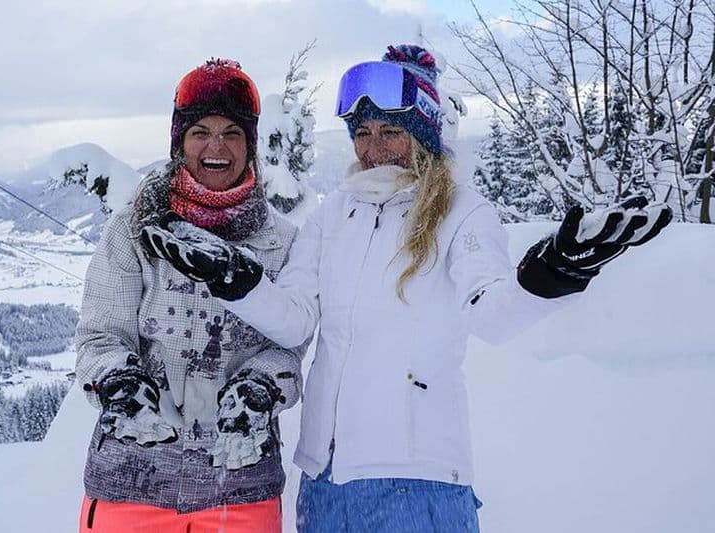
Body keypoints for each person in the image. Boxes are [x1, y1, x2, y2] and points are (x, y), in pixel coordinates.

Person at [141, 45, 673, 532]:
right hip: (325, 483)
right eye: (362, 132)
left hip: (418, 484)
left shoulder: (460, 214)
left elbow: (492, 315)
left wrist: (554, 273)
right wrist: (237, 281)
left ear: (423, 134)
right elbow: (297, 318)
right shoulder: (334, 217)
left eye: (390, 132)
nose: (373, 150)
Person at [75, 58, 305, 533]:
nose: (215, 147)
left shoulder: (282, 242)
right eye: (200, 131)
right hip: (131, 483)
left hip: (239, 490)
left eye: (232, 133)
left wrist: (259, 387)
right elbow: (100, 335)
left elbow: (289, 345)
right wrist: (118, 380)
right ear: (179, 141)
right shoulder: (135, 228)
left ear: (251, 146)